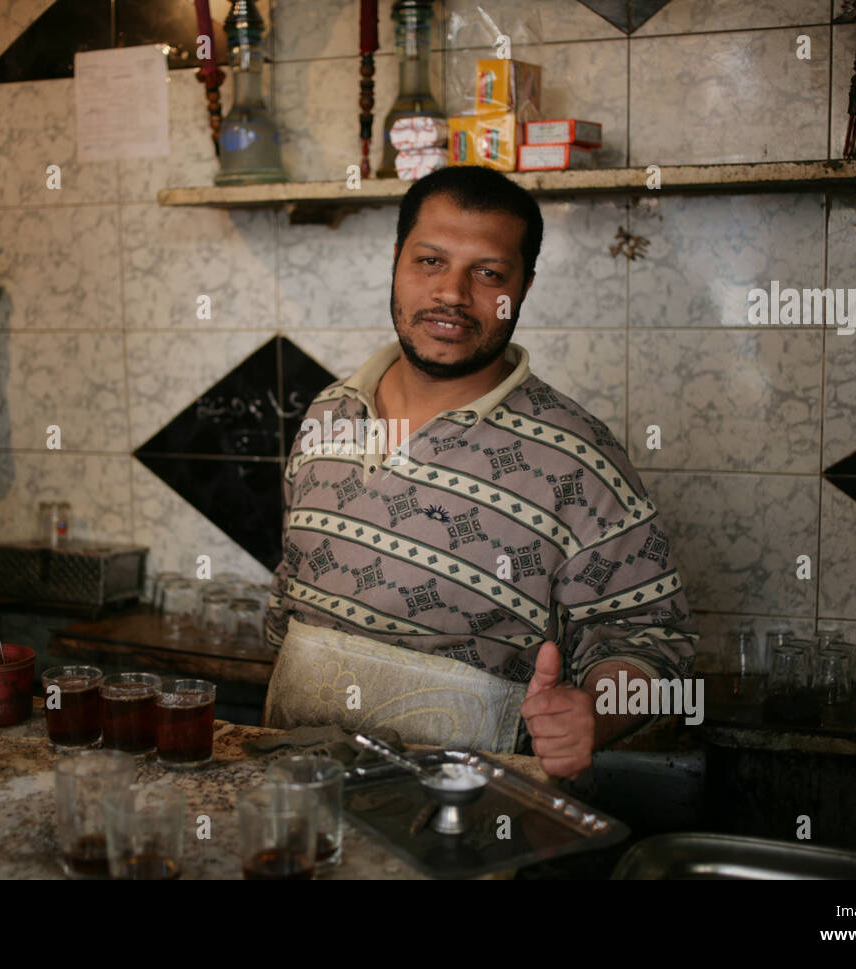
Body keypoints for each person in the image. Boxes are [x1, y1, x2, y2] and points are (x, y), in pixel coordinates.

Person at [264, 165, 698, 780]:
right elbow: (290, 593)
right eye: (430, 262)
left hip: (468, 820)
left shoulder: (578, 459)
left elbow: (652, 639)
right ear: (396, 260)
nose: (452, 294)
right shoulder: (328, 413)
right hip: (299, 794)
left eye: (488, 273)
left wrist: (593, 714)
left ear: (521, 287)